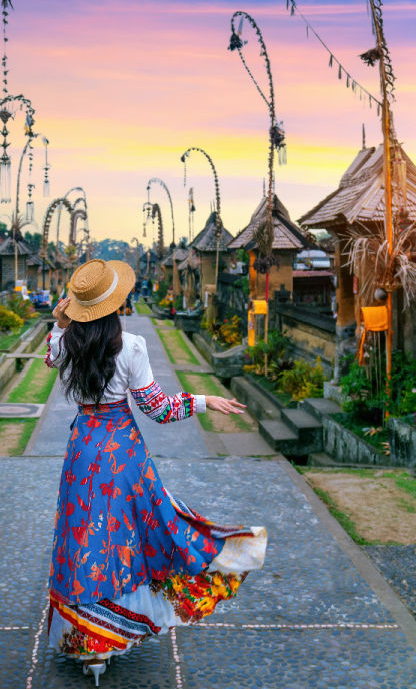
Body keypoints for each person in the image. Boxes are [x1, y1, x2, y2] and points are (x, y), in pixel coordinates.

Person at [44, 259, 266, 685]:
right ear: (114, 303)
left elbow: (51, 352)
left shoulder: (62, 345)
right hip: (123, 456)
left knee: (85, 539)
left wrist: (59, 320)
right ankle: (118, 627)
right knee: (132, 536)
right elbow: (157, 409)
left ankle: (91, 647)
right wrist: (204, 401)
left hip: (83, 453)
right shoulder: (131, 347)